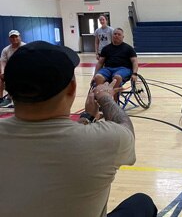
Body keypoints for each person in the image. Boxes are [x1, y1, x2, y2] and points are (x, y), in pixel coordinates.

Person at [0, 41, 157, 217]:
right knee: (142, 203)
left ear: (4, 85)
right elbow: (126, 129)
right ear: (72, 88)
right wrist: (106, 99)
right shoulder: (107, 141)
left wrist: (85, 118)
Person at [93, 28, 138, 102]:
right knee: (98, 77)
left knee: (116, 77)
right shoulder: (106, 48)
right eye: (115, 34)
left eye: (119, 34)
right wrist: (94, 75)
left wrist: (135, 73)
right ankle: (102, 100)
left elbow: (134, 62)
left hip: (123, 69)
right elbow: (100, 63)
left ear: (123, 37)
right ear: (112, 35)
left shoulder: (129, 48)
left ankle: (114, 102)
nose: (116, 35)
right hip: (108, 69)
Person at [0, 30, 26, 107]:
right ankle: (2, 99)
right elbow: (3, 62)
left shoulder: (26, 47)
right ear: (9, 39)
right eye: (12, 37)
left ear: (20, 37)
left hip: (24, 70)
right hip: (11, 71)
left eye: (16, 36)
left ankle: (19, 99)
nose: (14, 38)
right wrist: (2, 72)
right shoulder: (6, 50)